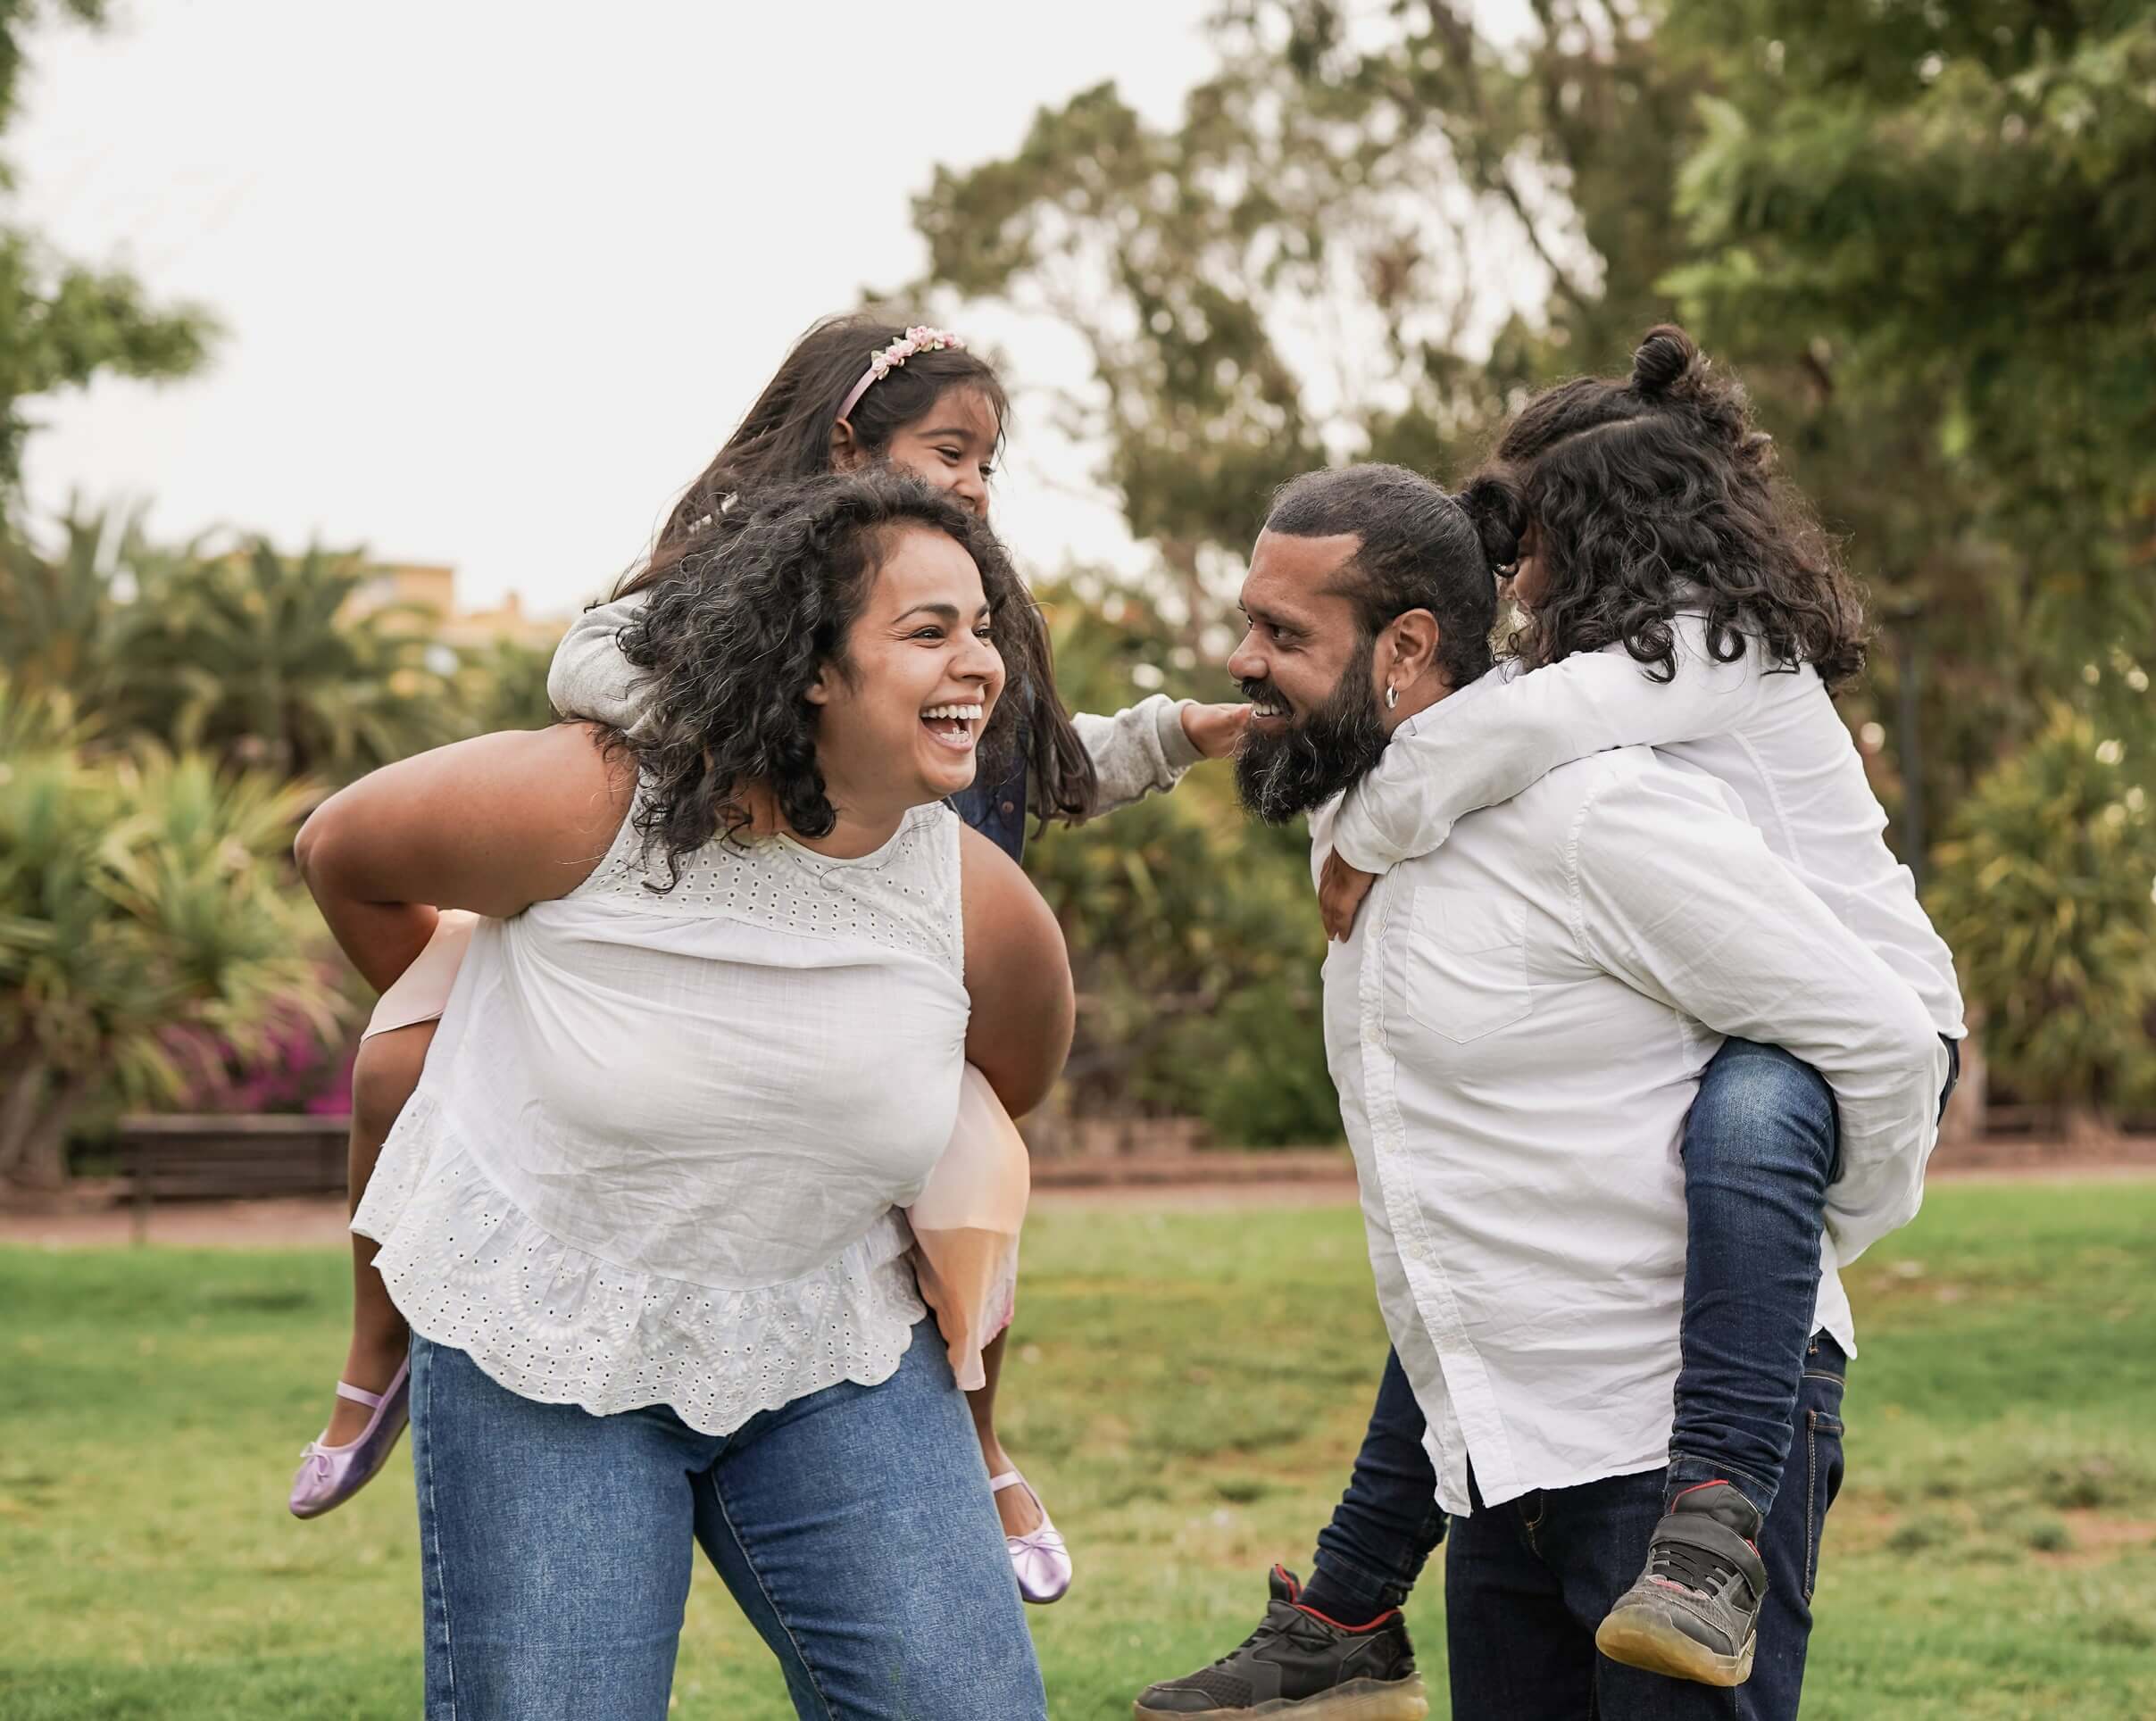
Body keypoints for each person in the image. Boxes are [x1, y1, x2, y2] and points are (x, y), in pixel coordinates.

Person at [292, 319, 1252, 1602]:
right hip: (637, 915)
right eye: (945, 449)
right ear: (849, 443)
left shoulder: (959, 657)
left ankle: (973, 1438)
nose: (970, 482)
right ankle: (376, 1355)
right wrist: (730, 733)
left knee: (972, 1200)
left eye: (986, 461)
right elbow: (582, 662)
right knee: (399, 1069)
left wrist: (1178, 730)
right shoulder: (705, 613)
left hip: (885, 986)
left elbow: (1055, 762)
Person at [1141, 461, 1948, 1721]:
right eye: (1248, 625)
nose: (1242, 661)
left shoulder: (1595, 815)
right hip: (1497, 1462)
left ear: (1405, 648)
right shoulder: (1362, 821)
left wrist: (1825, 1233)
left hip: (1670, 1463)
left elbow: (1885, 1043)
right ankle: (1347, 1612)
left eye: (1281, 634)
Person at [296, 470, 1063, 1720]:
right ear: (815, 667)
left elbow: (1005, 1082)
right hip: (543, 1328)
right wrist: (485, 1028)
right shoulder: (593, 799)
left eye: (984, 627)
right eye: (929, 632)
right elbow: (343, 853)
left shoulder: (980, 903)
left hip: (833, 1351)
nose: (978, 661)